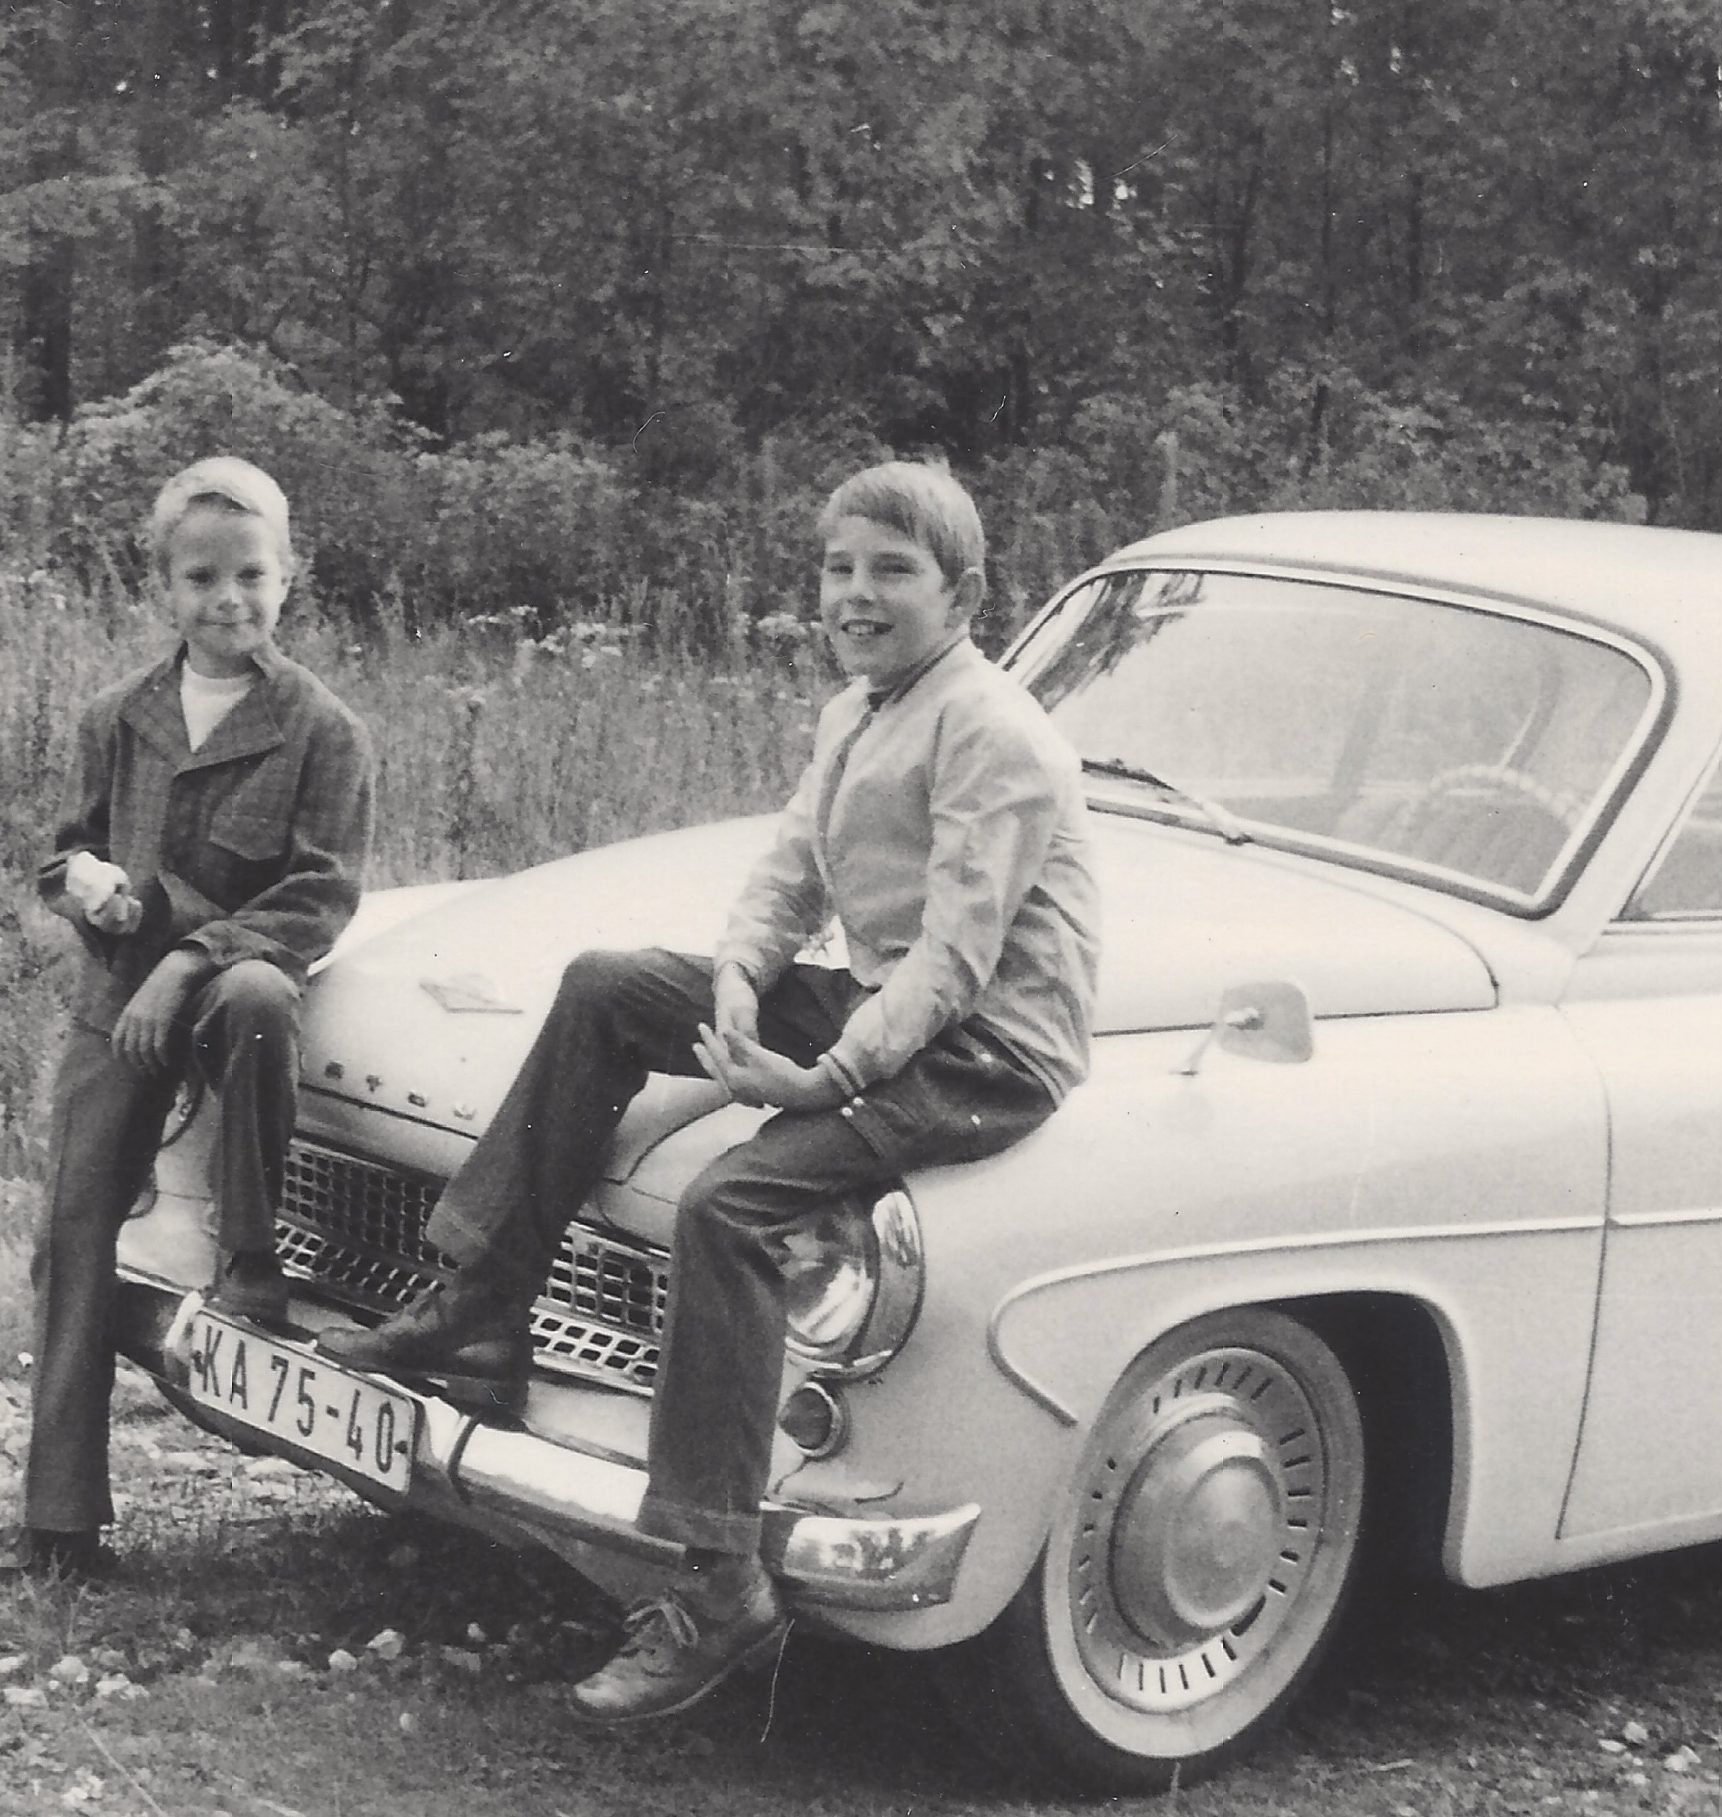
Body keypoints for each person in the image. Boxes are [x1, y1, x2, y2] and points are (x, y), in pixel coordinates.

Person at [318, 460, 1101, 1723]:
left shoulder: (995, 731)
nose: (858, 592)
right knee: (609, 987)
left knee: (729, 1203)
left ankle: (713, 1580)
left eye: (892, 571)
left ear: (963, 593)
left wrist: (819, 1075)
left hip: (985, 1054)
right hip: (878, 1001)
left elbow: (957, 961)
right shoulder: (861, 704)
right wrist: (738, 980)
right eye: (841, 567)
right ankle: (479, 1304)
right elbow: (789, 868)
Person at [10, 457, 375, 1582]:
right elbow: (64, 847)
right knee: (74, 1222)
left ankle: (249, 1260)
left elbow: (319, 896)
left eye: (252, 575)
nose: (231, 600)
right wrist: (83, 882)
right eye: (203, 577)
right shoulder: (115, 716)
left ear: (290, 577)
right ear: (164, 587)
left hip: (231, 985)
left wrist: (188, 957)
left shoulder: (324, 729)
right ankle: (62, 1515)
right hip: (117, 996)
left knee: (262, 995)